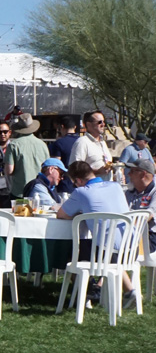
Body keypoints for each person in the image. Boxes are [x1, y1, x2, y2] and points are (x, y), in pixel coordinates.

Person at [57, 160, 136, 308]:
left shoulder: (81, 192)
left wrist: (80, 213)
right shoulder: (116, 186)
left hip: (107, 252)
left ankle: (89, 292)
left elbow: (61, 214)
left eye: (75, 182)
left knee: (72, 255)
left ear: (79, 180)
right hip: (131, 246)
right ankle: (129, 290)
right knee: (104, 246)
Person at [5, 114, 50, 200]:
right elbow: (47, 168)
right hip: (39, 191)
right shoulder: (43, 145)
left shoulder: (13, 145)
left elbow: (9, 170)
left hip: (19, 192)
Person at [69, 111, 113, 179]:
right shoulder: (82, 142)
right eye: (99, 122)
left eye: (104, 122)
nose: (103, 124)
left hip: (107, 186)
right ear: (89, 124)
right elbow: (74, 169)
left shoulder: (103, 142)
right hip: (92, 187)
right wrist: (97, 171)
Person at [125, 158, 156, 254]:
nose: (128, 174)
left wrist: (128, 227)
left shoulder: (154, 192)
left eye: (132, 171)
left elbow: (148, 215)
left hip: (148, 237)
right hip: (129, 234)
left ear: (143, 174)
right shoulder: (129, 193)